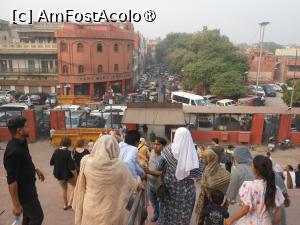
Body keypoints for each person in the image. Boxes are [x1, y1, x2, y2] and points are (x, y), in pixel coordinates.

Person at [72, 135, 139, 225]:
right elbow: (131, 184)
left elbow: (81, 185)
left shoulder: (86, 161)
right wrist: (139, 183)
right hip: (109, 213)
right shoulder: (120, 166)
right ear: (115, 148)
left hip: (89, 208)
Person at [226, 147, 290, 225]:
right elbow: (280, 211)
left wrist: (230, 219)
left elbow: (244, 209)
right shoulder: (274, 184)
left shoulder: (247, 184)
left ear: (254, 170)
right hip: (269, 218)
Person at [155, 127, 204, 225]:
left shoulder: (168, 150)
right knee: (183, 219)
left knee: (167, 217)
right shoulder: (194, 153)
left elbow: (158, 166)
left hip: (170, 193)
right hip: (187, 195)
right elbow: (199, 173)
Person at [3, 116, 44, 225]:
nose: (29, 128)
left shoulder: (22, 142)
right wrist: (16, 204)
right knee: (37, 218)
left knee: (27, 217)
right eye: (26, 127)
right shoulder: (13, 151)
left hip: (29, 187)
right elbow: (11, 181)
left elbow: (26, 161)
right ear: (19, 130)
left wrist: (35, 169)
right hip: (25, 194)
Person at [196, 149, 230, 225]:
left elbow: (227, 177)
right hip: (209, 197)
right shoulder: (209, 168)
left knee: (211, 218)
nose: (202, 160)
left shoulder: (212, 170)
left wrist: (208, 185)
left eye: (204, 158)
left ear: (209, 158)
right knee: (206, 217)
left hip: (214, 199)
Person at [143, 137, 167, 222]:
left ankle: (161, 219)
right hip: (150, 184)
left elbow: (163, 173)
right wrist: (146, 163)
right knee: (153, 202)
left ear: (163, 146)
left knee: (161, 203)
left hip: (160, 186)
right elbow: (149, 162)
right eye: (154, 144)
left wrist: (149, 172)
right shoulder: (152, 152)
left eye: (158, 144)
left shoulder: (165, 157)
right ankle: (156, 216)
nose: (155, 146)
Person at [50, 136, 77, 210]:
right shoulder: (69, 153)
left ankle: (65, 205)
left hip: (59, 174)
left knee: (63, 189)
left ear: (61, 142)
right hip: (68, 175)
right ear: (69, 144)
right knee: (75, 186)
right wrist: (76, 175)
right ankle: (70, 203)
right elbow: (71, 168)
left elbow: (51, 163)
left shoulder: (56, 151)